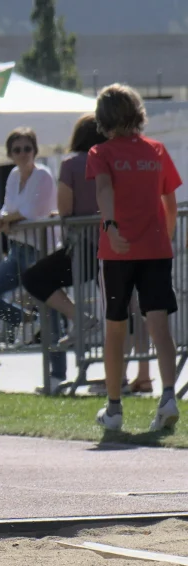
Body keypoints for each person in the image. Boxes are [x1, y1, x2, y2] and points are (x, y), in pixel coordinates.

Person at [88, 84, 182, 432]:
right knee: (159, 326)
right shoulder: (156, 150)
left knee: (115, 328)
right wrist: (165, 238)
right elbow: (170, 203)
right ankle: (169, 396)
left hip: (117, 252)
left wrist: (111, 225)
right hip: (156, 250)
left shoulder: (101, 152)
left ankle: (114, 410)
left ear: (104, 118)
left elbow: (103, 188)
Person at [20, 114, 108, 394]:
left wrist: (65, 215)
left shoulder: (72, 164)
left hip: (84, 245)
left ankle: (78, 317)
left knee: (34, 277)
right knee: (122, 310)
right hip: (114, 244)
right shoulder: (112, 159)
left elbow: (66, 209)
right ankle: (122, 376)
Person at [0, 127, 57, 345]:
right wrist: (2, 218)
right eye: (17, 149)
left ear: (35, 150)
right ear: (10, 154)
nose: (23, 153)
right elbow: (8, 208)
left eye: (27, 148)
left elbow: (33, 212)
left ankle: (57, 373)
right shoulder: (13, 175)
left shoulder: (43, 175)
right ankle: (26, 320)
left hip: (41, 252)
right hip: (17, 251)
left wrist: (5, 219)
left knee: (50, 308)